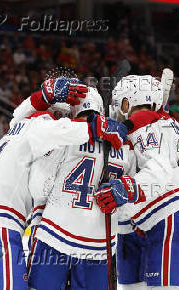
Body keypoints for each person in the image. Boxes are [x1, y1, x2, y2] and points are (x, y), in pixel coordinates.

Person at [0, 77, 121, 290]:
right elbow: (57, 131)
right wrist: (94, 126)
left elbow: (18, 114)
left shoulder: (20, 124)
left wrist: (39, 97)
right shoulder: (42, 125)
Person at [94, 75, 179, 289]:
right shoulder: (152, 123)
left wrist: (125, 188)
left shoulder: (151, 127)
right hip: (144, 217)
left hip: (170, 212)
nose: (116, 108)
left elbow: (158, 170)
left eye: (120, 102)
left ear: (129, 102)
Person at [25, 87, 131, 290]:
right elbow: (129, 197)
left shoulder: (63, 136)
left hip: (56, 235)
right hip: (99, 244)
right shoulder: (120, 145)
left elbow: (38, 189)